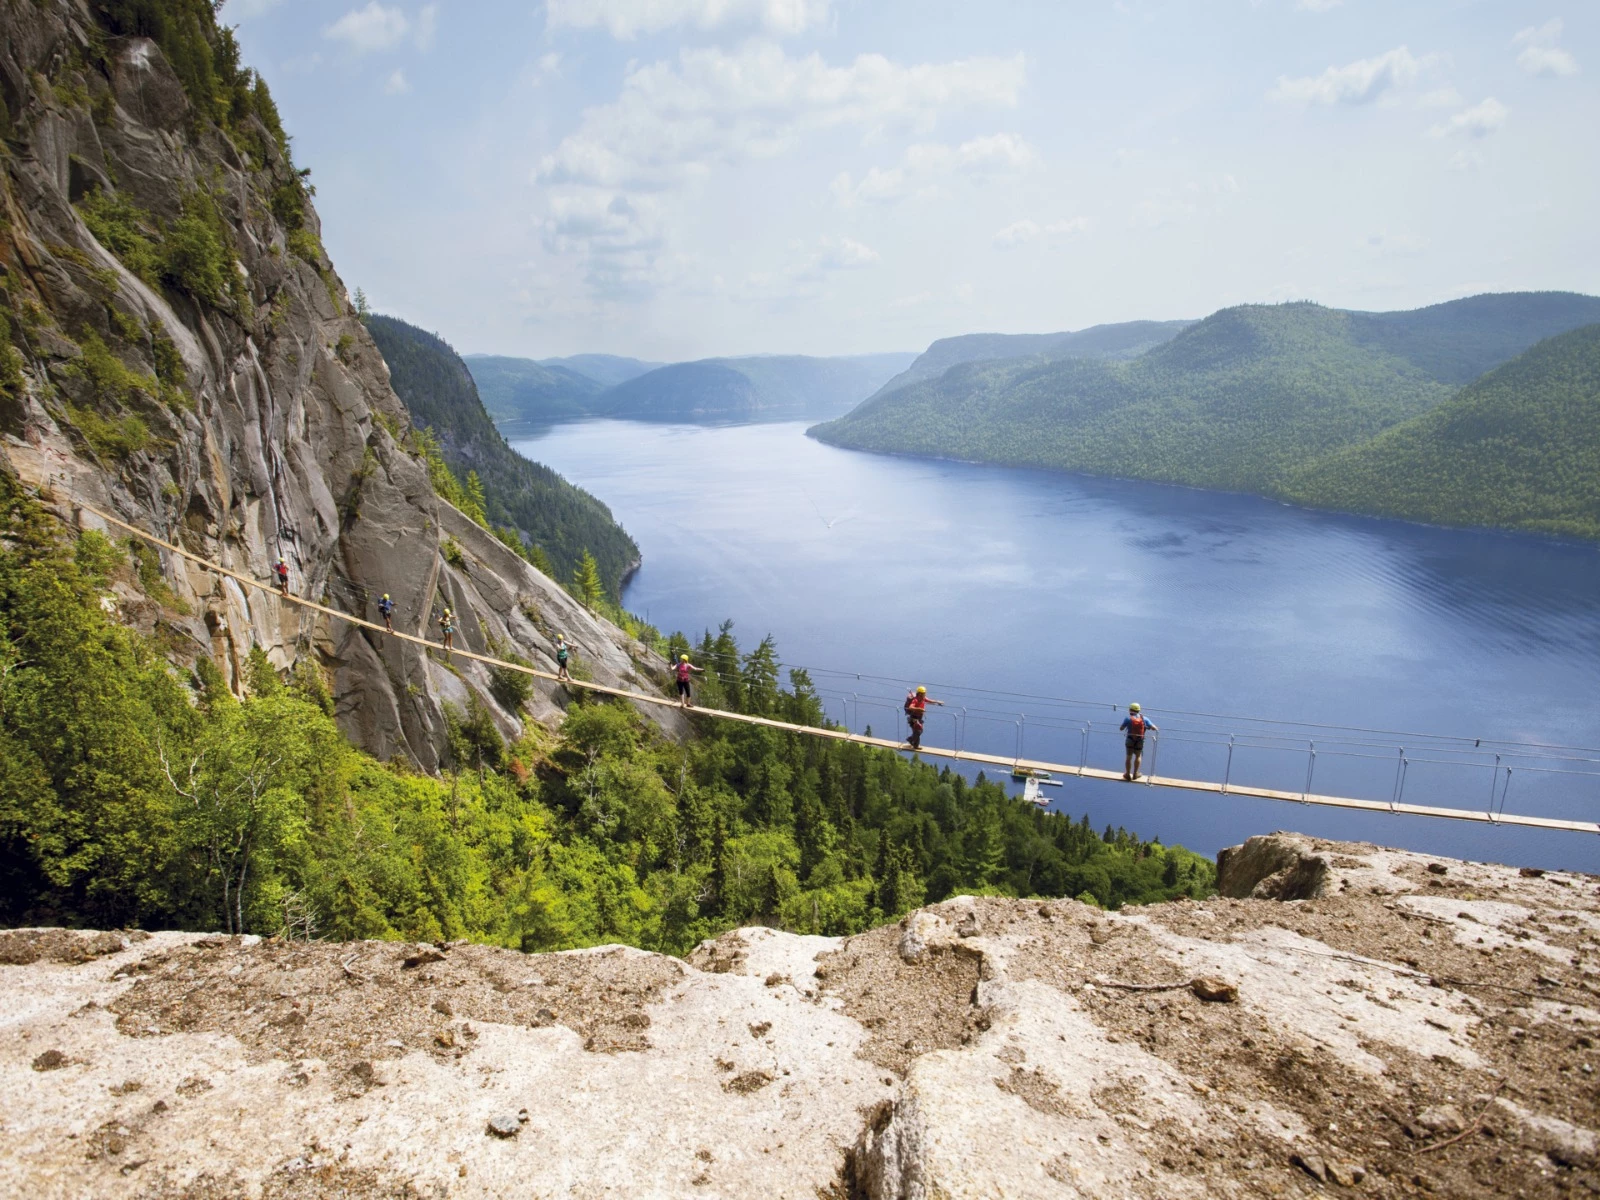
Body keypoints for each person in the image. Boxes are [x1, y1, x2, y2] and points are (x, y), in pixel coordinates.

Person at [1120, 703, 1158, 781]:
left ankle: (1127, 774)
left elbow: (1121, 728)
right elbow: (1155, 728)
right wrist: (1149, 727)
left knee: (1128, 757)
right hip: (1140, 741)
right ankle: (1135, 773)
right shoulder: (1144, 719)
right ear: (1139, 710)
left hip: (1130, 739)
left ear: (1130, 710)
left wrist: (1127, 726)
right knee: (1138, 756)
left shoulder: (1128, 718)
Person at [904, 685, 943, 750]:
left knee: (918, 731)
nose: (924, 694)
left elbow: (929, 700)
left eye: (924, 693)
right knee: (918, 731)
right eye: (923, 693)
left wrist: (937, 702)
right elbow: (910, 707)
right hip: (914, 718)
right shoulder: (915, 700)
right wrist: (919, 709)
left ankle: (913, 743)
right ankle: (911, 741)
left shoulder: (923, 698)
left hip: (919, 718)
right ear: (919, 693)